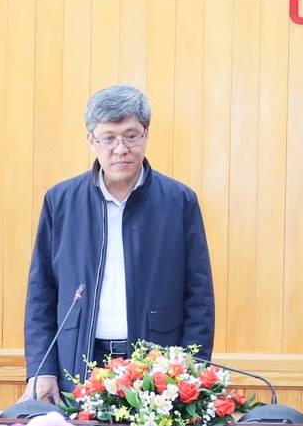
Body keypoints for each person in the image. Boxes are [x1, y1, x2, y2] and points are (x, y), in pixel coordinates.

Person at [22, 85, 214, 404]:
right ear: (91, 140)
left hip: (157, 368)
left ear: (146, 135)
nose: (120, 149)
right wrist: (42, 369)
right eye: (109, 138)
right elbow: (41, 293)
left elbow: (199, 296)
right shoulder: (61, 202)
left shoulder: (179, 202)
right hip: (78, 363)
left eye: (131, 136)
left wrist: (191, 371)